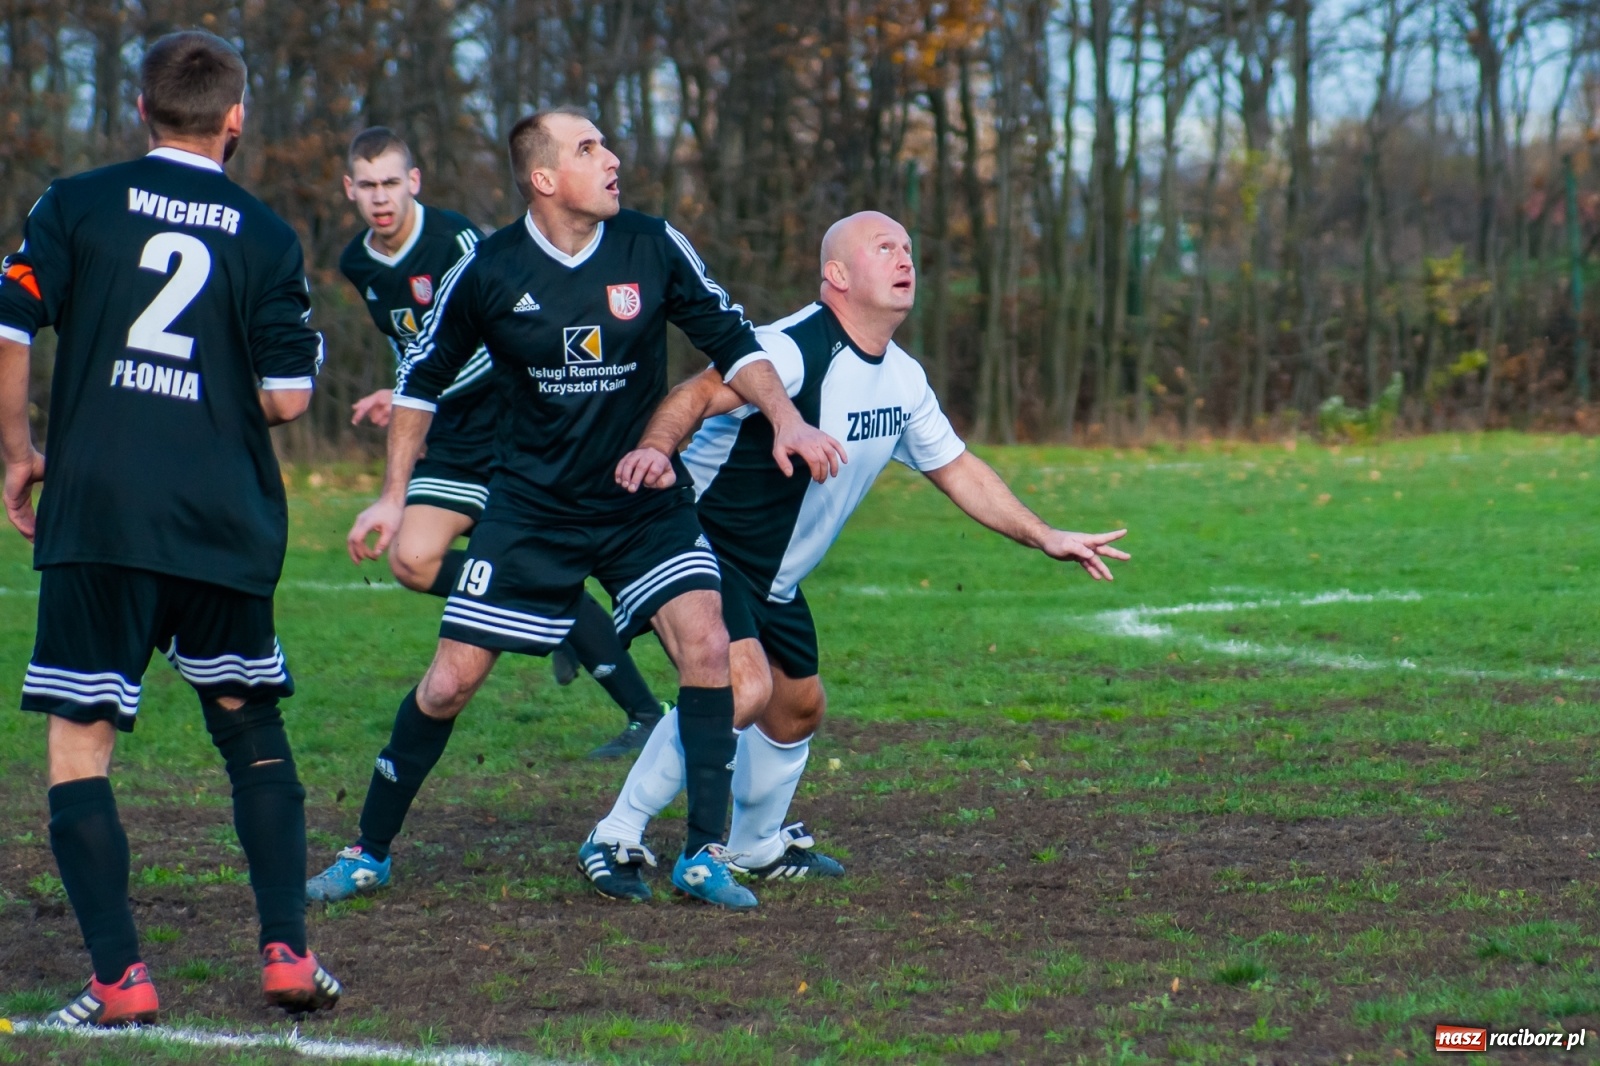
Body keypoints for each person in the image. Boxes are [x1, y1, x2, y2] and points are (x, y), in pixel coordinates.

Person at [308, 106, 845, 912]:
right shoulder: (489, 268)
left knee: (710, 648)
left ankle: (703, 855)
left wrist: (787, 418)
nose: (612, 157)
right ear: (545, 178)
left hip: (640, 499)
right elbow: (420, 380)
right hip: (532, 508)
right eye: (590, 148)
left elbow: (735, 341)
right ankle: (368, 850)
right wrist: (393, 495)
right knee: (449, 683)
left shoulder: (651, 245)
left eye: (607, 144)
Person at [580, 211, 1130, 896]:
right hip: (702, 544)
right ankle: (615, 835)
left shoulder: (902, 379)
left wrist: (1045, 534)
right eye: (883, 248)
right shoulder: (790, 350)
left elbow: (958, 468)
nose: (905, 259)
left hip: (774, 574)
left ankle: (755, 846)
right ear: (836, 275)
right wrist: (656, 452)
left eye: (908, 247)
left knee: (799, 707)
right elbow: (693, 393)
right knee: (742, 689)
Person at [0, 30, 342, 1026]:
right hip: (223, 517)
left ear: (142, 109)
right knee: (251, 730)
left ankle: (120, 978)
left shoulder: (76, 203)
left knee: (81, 742)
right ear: (237, 117)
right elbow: (285, 398)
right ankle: (286, 954)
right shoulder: (271, 236)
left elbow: (11, 325)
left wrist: (17, 450)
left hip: (101, 510)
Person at [334, 126, 666, 772]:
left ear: (414, 183)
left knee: (532, 554)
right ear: (351, 190)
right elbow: (416, 347)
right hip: (450, 435)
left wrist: (417, 395)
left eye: (391, 183)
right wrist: (398, 394)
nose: (380, 197)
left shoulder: (455, 239)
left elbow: (495, 334)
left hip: (503, 419)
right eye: (367, 185)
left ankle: (644, 711)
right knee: (411, 559)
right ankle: (539, 604)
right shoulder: (356, 262)